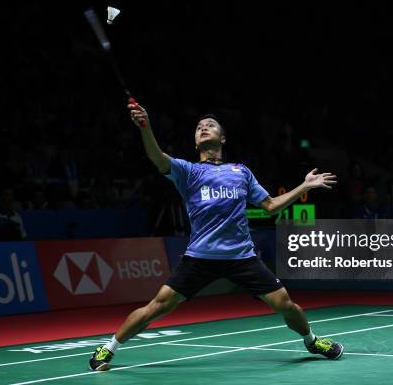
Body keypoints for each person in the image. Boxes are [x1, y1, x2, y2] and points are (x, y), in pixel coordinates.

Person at [89, 102, 343, 371]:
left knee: (286, 304)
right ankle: (107, 348)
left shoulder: (241, 172)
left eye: (210, 126)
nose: (203, 128)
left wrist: (304, 185)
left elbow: (270, 206)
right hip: (200, 256)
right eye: (198, 128)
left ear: (222, 138)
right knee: (158, 306)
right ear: (196, 141)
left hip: (241, 256)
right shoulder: (188, 172)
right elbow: (157, 157)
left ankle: (312, 341)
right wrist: (145, 126)